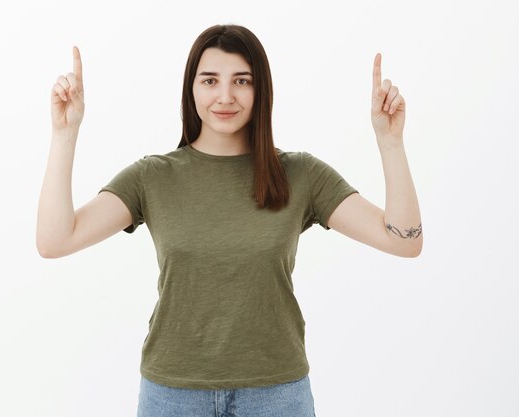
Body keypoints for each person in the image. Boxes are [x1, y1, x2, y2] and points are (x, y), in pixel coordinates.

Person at [36, 24, 422, 417]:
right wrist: (64, 134)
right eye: (210, 80)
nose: (225, 96)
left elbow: (403, 241)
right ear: (192, 88)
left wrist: (390, 142)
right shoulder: (153, 177)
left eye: (241, 80)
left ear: (261, 90)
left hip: (276, 395)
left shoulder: (300, 174)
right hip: (173, 395)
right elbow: (55, 241)